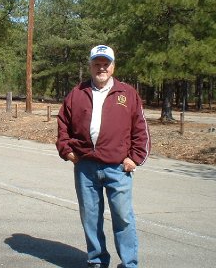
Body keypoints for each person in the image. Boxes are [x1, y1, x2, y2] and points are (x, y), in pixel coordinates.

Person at [56, 45, 151, 268]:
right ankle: (97, 261)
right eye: (97, 64)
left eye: (105, 64)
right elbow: (63, 124)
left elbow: (141, 129)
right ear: (90, 66)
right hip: (85, 167)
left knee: (123, 218)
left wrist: (135, 158)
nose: (101, 68)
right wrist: (66, 150)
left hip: (118, 167)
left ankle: (129, 263)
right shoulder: (77, 93)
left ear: (113, 66)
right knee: (90, 218)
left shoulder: (127, 94)